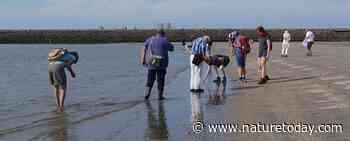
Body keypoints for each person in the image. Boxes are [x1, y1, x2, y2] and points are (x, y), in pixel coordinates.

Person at [140, 29, 174, 100]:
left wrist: (142, 59)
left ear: (156, 34)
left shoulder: (150, 39)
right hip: (162, 63)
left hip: (152, 62)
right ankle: (160, 96)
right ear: (163, 34)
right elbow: (172, 49)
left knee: (150, 79)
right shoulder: (165, 40)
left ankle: (147, 94)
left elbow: (143, 48)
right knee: (161, 80)